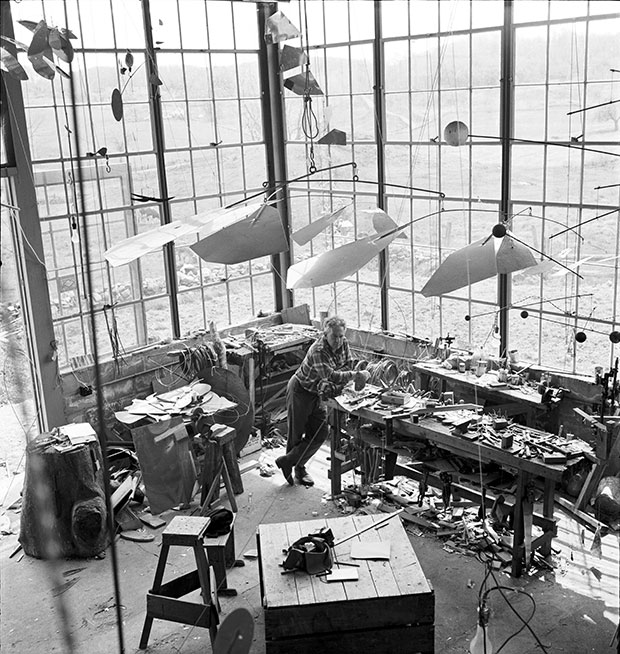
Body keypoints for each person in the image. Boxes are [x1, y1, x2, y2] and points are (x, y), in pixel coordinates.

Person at [276, 316, 369, 487]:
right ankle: (297, 469)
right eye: (335, 336)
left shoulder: (344, 343)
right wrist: (354, 375)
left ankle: (287, 461)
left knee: (320, 434)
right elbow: (331, 376)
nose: (338, 340)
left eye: (341, 336)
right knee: (296, 435)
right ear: (325, 334)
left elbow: (348, 365)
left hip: (317, 393)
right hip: (300, 391)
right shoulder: (318, 350)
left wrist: (346, 374)